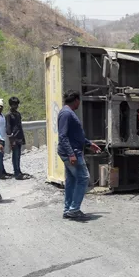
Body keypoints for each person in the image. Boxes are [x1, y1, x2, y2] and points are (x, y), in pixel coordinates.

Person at [57, 90, 101, 221]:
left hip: (72, 151)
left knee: (71, 180)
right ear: (76, 100)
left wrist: (89, 144)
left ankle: (68, 209)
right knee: (83, 178)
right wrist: (71, 154)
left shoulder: (68, 113)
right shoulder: (66, 113)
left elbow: (76, 135)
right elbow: (63, 136)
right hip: (72, 153)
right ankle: (74, 209)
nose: (79, 103)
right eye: (79, 101)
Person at [6, 96, 28, 180]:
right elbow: (8, 128)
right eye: (13, 104)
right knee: (15, 155)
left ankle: (19, 170)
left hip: (19, 137)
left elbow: (19, 126)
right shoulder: (8, 115)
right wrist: (11, 140)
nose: (15, 106)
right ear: (10, 105)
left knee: (18, 155)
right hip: (14, 138)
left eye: (16, 104)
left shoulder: (18, 114)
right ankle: (16, 173)